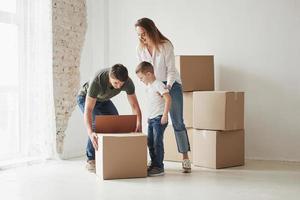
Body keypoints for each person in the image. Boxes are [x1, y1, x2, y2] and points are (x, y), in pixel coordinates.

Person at [135, 18, 191, 173]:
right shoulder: (140, 50)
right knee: (154, 123)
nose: (141, 37)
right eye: (139, 35)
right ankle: (156, 161)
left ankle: (185, 157)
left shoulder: (165, 45)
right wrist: (151, 88)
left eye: (143, 33)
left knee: (178, 121)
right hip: (154, 87)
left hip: (171, 85)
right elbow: (142, 72)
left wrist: (166, 87)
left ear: (151, 30)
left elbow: (171, 70)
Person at [77, 64, 142, 172]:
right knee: (96, 125)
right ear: (109, 77)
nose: (118, 86)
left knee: (115, 122)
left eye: (121, 84)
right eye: (116, 82)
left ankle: (111, 155)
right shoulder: (97, 81)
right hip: (85, 98)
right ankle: (91, 159)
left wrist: (138, 123)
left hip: (103, 100)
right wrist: (90, 132)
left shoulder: (127, 83)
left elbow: (135, 106)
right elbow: (88, 110)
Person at [136, 61, 171, 176]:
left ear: (149, 74)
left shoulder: (158, 84)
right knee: (150, 142)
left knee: (157, 142)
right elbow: (153, 103)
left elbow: (168, 99)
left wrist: (165, 115)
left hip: (159, 118)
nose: (141, 80)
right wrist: (149, 117)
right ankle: (154, 163)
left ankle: (159, 167)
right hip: (151, 119)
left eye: (141, 78)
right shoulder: (149, 87)